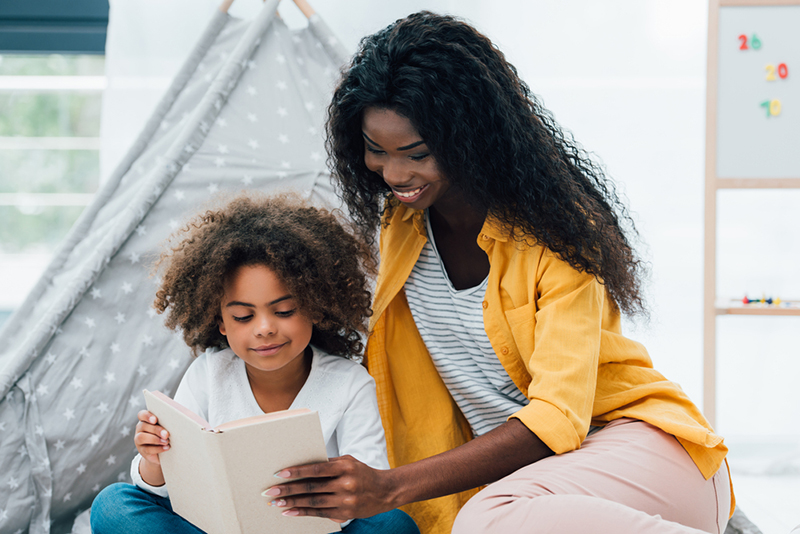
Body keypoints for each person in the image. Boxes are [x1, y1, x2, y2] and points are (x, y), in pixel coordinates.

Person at [257, 11, 734, 534]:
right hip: (533, 492)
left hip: (642, 455)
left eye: (416, 153)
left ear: (471, 137)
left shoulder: (560, 234)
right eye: (377, 150)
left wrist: (391, 486)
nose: (394, 174)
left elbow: (558, 418)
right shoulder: (401, 226)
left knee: (487, 518)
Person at [90, 194, 419, 534]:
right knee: (113, 505)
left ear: (316, 306)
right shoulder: (209, 373)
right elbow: (163, 489)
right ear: (221, 322)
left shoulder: (350, 383)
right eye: (243, 316)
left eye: (285, 311)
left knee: (392, 524)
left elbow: (369, 494)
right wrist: (154, 458)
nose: (264, 329)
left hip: (317, 530)